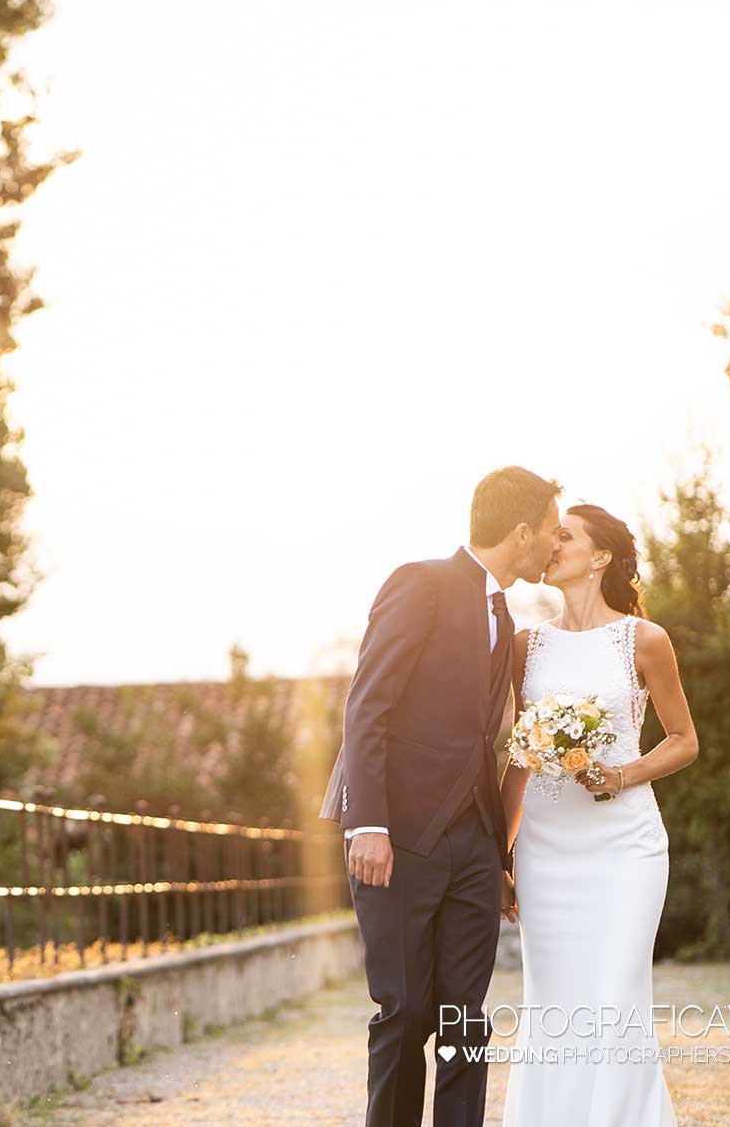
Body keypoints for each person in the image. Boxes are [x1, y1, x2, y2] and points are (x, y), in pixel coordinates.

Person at [319, 465, 563, 1127]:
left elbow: (486, 739)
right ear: (521, 533)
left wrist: (497, 855)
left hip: (475, 847)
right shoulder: (419, 583)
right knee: (404, 1012)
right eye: (551, 530)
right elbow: (367, 706)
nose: (555, 543)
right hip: (399, 838)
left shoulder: (504, 612)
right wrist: (367, 824)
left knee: (465, 1019)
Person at [499, 503, 699, 1125]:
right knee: (553, 1004)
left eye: (566, 536)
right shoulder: (526, 646)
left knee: (616, 998)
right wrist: (499, 855)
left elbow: (684, 740)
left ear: (601, 556)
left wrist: (622, 774)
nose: (552, 545)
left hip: (625, 846)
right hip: (545, 850)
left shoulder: (645, 640)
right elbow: (518, 760)